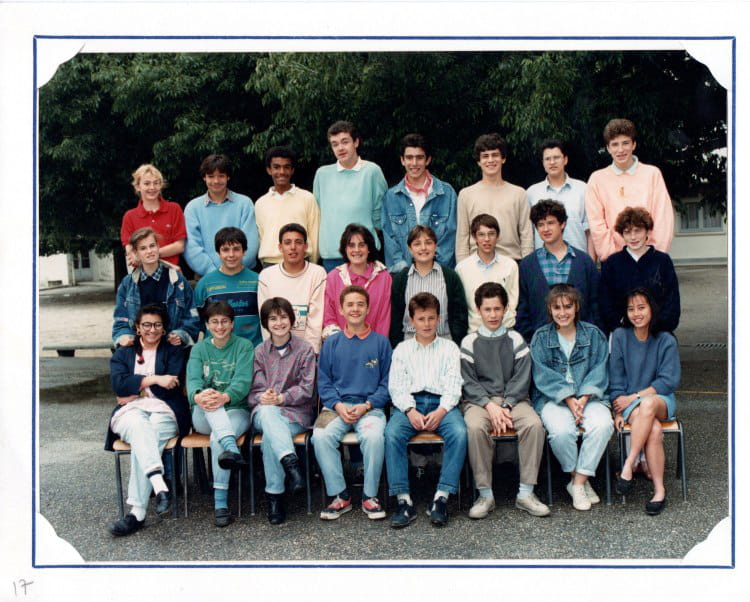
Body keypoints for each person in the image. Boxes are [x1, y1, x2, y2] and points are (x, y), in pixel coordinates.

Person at [460, 282, 550, 519]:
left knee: (533, 425)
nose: (493, 315)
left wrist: (506, 405)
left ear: (505, 309)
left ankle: (526, 493)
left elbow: (522, 377)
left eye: (497, 309)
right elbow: (468, 381)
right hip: (480, 402)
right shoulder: (469, 342)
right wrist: (490, 406)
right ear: (478, 310)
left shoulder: (515, 339)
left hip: (514, 400)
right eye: (487, 309)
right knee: (475, 427)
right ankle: (485, 495)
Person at [105, 304, 191, 536]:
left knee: (145, 435)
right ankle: (159, 484)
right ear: (137, 327)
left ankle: (138, 512)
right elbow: (118, 385)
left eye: (157, 325)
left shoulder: (173, 351)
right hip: (130, 410)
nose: (152, 329)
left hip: (165, 410)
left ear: (164, 328)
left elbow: (170, 387)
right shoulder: (123, 353)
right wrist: (155, 379)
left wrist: (137, 386)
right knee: (138, 426)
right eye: (146, 325)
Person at [386, 292, 466, 528]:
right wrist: (409, 410)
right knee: (392, 434)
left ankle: (442, 497)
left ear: (439, 318)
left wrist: (442, 411)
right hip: (411, 403)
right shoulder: (402, 349)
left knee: (459, 433)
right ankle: (404, 500)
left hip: (442, 404)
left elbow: (454, 384)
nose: (427, 324)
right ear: (412, 321)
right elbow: (397, 386)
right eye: (421, 319)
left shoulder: (450, 348)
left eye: (431, 318)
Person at [529, 285, 613, 511]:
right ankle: (580, 479)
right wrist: (568, 398)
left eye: (568, 306)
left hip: (589, 397)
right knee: (561, 431)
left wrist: (583, 398)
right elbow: (542, 375)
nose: (562, 312)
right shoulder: (541, 337)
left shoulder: (593, 335)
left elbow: (599, 369)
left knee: (603, 425)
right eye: (556, 307)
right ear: (549, 309)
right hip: (553, 399)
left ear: (577, 307)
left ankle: (577, 483)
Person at [313, 285, 392, 521]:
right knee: (321, 436)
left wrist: (368, 405)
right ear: (341, 309)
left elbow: (387, 384)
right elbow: (324, 382)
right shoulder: (331, 344)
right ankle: (340, 495)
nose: (355, 309)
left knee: (374, 437)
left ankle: (370, 496)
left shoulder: (381, 343)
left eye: (360, 304)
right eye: (350, 305)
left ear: (368, 308)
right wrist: (338, 405)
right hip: (336, 408)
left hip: (370, 408)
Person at [610, 288, 681, 515]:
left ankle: (629, 464)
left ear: (652, 309)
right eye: (631, 309)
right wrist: (617, 412)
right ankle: (659, 490)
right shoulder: (619, 336)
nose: (636, 313)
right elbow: (616, 379)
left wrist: (636, 396)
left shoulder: (666, 339)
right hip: (629, 405)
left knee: (649, 404)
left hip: (660, 399)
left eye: (641, 307)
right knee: (654, 430)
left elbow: (668, 381)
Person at [248, 297, 317, 525]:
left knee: (271, 436)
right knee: (268, 413)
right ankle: (291, 463)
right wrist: (264, 397)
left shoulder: (305, 350)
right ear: (265, 323)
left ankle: (275, 496)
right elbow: (254, 390)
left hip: (295, 414)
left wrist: (282, 398)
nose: (279, 323)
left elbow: (307, 388)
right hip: (264, 411)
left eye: (283, 317)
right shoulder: (259, 351)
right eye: (273, 319)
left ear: (292, 319)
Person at [187, 301, 254, 527]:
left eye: (224, 321)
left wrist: (224, 397)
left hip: (236, 410)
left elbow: (243, 382)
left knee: (218, 438)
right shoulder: (199, 349)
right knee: (209, 401)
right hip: (203, 414)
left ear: (232, 323)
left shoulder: (244, 346)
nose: (220, 326)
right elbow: (193, 380)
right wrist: (199, 396)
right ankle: (233, 449)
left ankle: (220, 505)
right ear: (207, 325)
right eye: (214, 322)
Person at [585, 118, 674, 261]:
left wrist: (654, 254)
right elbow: (597, 225)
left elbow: (663, 219)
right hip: (614, 260)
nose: (620, 150)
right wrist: (612, 256)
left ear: (634, 145)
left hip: (650, 259)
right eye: (615, 144)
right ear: (608, 148)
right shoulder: (597, 179)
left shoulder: (652, 174)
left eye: (625, 143)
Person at [516, 199, 601, 342]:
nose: (545, 229)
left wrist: (592, 339)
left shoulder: (584, 262)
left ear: (562, 224)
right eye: (540, 225)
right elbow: (523, 309)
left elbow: (596, 306)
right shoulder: (528, 265)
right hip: (541, 343)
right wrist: (531, 340)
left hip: (582, 342)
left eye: (550, 223)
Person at [313, 120, 387, 271]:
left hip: (364, 254)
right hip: (332, 256)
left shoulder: (372, 171)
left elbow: (380, 212)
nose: (340, 148)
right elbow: (318, 211)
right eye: (335, 144)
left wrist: (363, 240)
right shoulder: (322, 174)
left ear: (356, 142)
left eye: (345, 142)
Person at [381, 133, 458, 272]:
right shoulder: (391, 197)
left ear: (428, 160)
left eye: (419, 157)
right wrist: (405, 271)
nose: (414, 163)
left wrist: (432, 268)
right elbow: (389, 239)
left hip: (439, 273)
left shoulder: (447, 193)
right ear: (402, 160)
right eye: (409, 157)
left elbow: (450, 236)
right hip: (403, 273)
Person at [112, 227, 199, 348]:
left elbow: (192, 317)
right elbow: (120, 321)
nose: (149, 251)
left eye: (152, 246)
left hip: (171, 347)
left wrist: (180, 335)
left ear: (158, 247)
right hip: (139, 347)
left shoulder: (178, 281)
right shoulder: (127, 285)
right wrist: (125, 337)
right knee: (119, 357)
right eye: (143, 248)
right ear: (136, 253)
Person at [600, 207, 680, 335]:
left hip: (658, 332)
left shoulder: (662, 261)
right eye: (627, 232)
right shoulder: (612, 264)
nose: (633, 237)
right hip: (623, 333)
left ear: (647, 231)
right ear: (622, 234)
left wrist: (657, 327)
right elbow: (605, 303)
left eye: (637, 231)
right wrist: (621, 326)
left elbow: (672, 302)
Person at [456, 133, 533, 263]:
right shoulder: (466, 195)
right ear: (478, 161)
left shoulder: (519, 193)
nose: (490, 160)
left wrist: (527, 267)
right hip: (476, 263)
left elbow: (526, 236)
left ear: (503, 159)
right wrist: (462, 267)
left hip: (512, 262)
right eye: (485, 156)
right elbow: (462, 238)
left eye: (495, 155)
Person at [389, 224, 467, 348]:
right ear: (410, 249)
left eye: (428, 243)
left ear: (435, 246)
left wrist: (456, 345)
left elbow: (460, 316)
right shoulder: (401, 279)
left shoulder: (450, 277)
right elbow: (395, 319)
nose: (423, 248)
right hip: (409, 344)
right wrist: (397, 347)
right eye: (417, 244)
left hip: (444, 343)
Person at [184, 153, 259, 276]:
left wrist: (234, 269)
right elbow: (192, 247)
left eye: (221, 176)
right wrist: (215, 274)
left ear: (228, 177)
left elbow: (251, 243)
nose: (216, 181)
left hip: (243, 274)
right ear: (204, 177)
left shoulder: (245, 204)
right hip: (207, 276)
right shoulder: (193, 208)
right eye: (211, 176)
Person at [258, 223, 327, 353]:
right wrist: (274, 351)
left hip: (307, 352)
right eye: (287, 242)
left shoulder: (317, 273)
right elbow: (266, 318)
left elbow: (315, 320)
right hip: (277, 350)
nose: (293, 247)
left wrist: (310, 353)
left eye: (298, 242)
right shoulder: (266, 276)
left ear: (306, 246)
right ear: (280, 247)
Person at [192, 227, 262, 346]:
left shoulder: (258, 281)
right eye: (225, 250)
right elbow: (196, 321)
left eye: (236, 249)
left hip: (252, 350)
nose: (231, 254)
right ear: (218, 253)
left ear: (244, 251)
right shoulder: (205, 284)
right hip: (216, 351)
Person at [526, 139, 594, 258]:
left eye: (556, 157)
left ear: (565, 160)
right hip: (543, 261)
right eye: (547, 159)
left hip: (578, 260)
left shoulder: (583, 189)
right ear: (543, 163)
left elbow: (590, 230)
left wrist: (590, 262)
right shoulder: (532, 193)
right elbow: (528, 233)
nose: (552, 162)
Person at [322, 223, 391, 339]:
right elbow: (329, 318)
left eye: (362, 245)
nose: (357, 250)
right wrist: (341, 344)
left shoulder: (383, 277)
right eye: (351, 245)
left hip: (373, 345)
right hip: (340, 344)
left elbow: (384, 319)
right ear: (345, 249)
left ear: (369, 248)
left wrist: (377, 345)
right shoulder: (333, 277)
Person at [255, 146, 320, 268]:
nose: (282, 172)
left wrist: (313, 264)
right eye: (276, 167)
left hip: (302, 262)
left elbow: (314, 234)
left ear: (292, 170)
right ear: (269, 170)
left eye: (286, 167)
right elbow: (262, 237)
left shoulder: (307, 198)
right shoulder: (260, 203)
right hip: (270, 264)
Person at [455, 214, 519, 333]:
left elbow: (513, 301)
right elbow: (461, 307)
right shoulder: (462, 268)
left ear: (498, 236)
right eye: (481, 234)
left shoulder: (510, 265)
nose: (486, 239)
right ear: (474, 237)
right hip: (475, 332)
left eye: (491, 234)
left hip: (505, 330)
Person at [120, 164, 187, 268]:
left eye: (156, 183)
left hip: (170, 272)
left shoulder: (174, 209)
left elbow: (179, 246)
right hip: (142, 274)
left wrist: (147, 255)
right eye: (147, 183)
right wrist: (140, 255)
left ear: (161, 185)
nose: (152, 187)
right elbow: (130, 250)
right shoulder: (129, 217)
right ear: (137, 186)